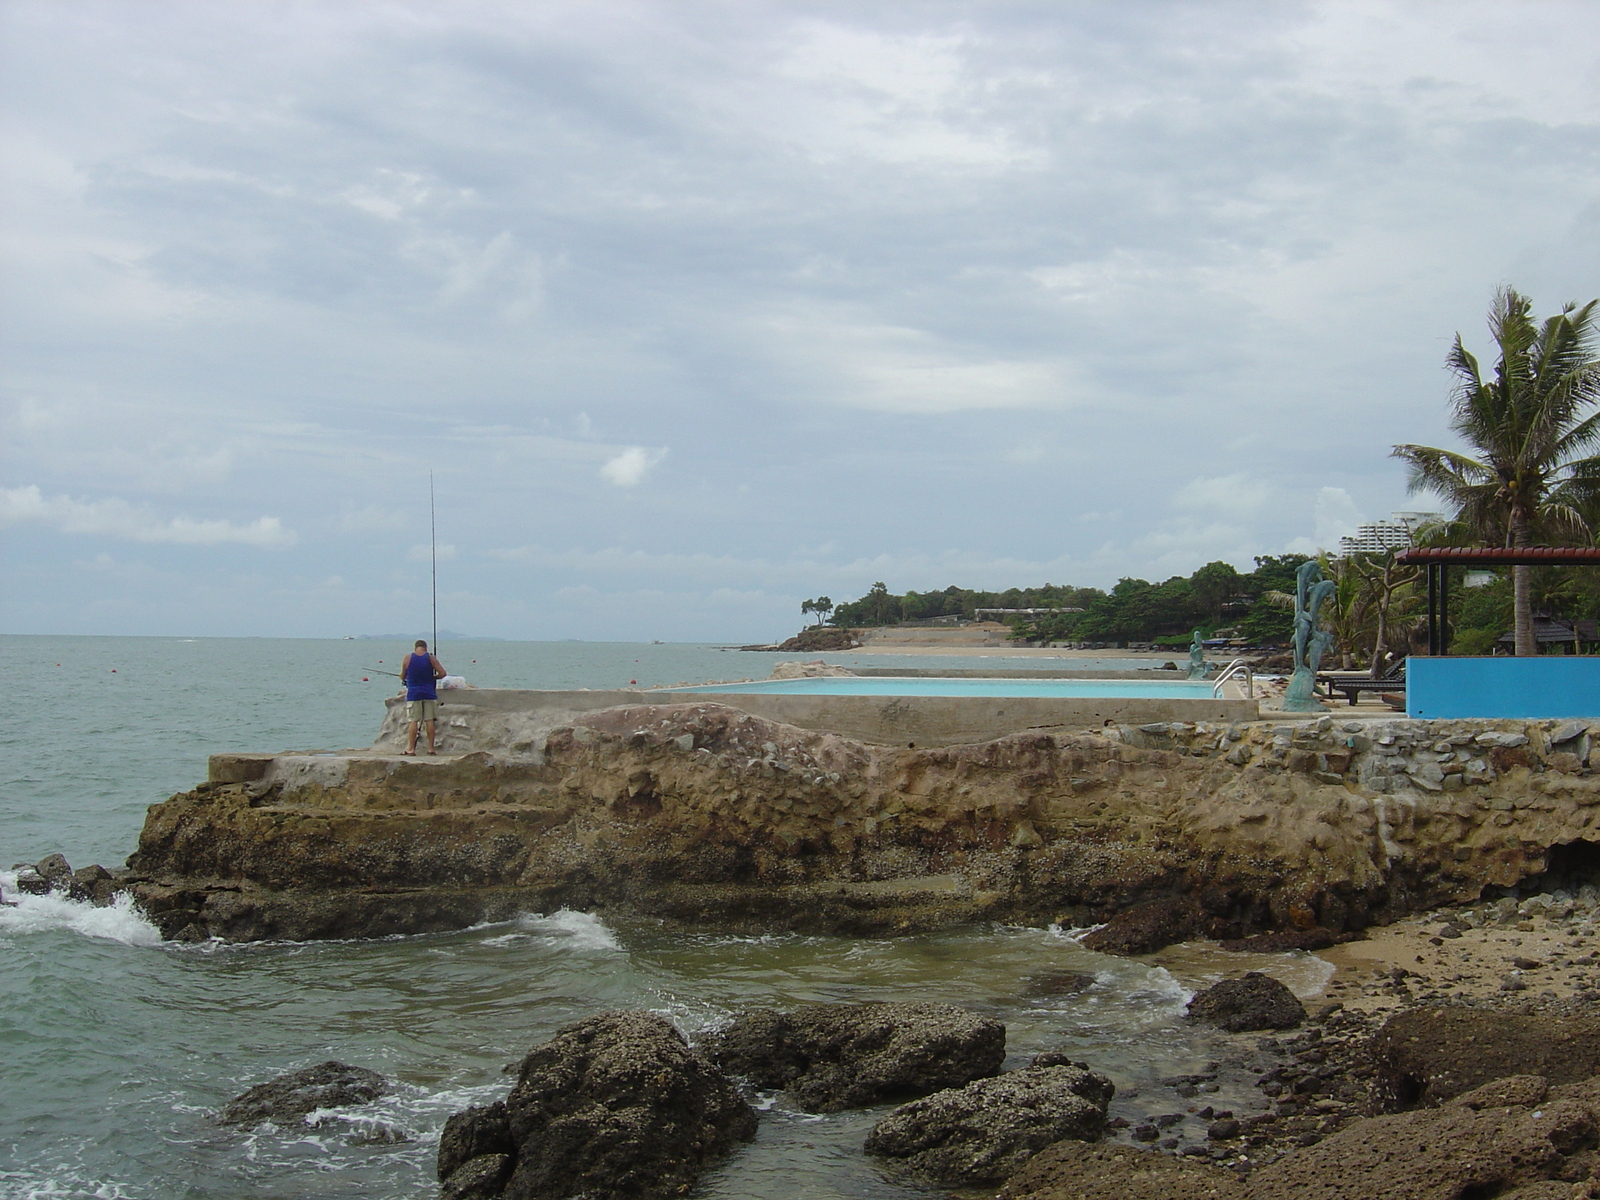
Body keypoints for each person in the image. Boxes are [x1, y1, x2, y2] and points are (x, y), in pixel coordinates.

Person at [400, 639, 446, 755]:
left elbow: (402, 676)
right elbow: (443, 674)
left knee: (413, 721)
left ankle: (411, 749)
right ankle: (431, 748)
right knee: (429, 720)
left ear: (415, 648)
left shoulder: (407, 658)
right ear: (425, 648)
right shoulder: (430, 658)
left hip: (414, 694)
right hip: (429, 693)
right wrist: (433, 677)